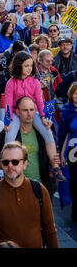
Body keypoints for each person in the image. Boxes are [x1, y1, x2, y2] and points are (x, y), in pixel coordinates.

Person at [0, 141, 59, 248]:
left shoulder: (39, 190)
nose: (10, 166)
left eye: (15, 162)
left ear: (24, 164)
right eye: (5, 162)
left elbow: (50, 231)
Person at [4, 51, 65, 181]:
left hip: (33, 112)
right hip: (16, 114)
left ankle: (55, 167)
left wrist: (43, 117)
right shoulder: (11, 82)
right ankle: (8, 167)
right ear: (19, 65)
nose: (29, 69)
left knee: (48, 132)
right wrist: (7, 120)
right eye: (26, 66)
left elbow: (39, 101)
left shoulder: (35, 82)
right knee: (9, 136)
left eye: (31, 66)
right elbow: (8, 104)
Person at [0, 97, 56, 196]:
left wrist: (54, 161)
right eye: (25, 110)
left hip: (41, 187)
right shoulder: (9, 132)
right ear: (17, 112)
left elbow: (52, 154)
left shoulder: (42, 132)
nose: (29, 114)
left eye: (32, 110)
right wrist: (8, 165)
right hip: (16, 188)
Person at [59, 83, 77, 221]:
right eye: (75, 93)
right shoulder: (67, 110)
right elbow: (64, 134)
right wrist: (61, 153)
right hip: (73, 151)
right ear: (71, 95)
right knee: (74, 180)